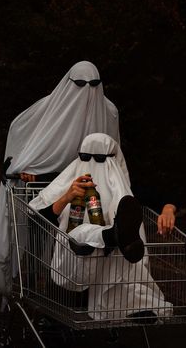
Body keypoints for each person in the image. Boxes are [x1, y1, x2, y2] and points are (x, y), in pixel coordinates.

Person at [0, 61, 121, 295]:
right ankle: (33, 293)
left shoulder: (108, 112)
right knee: (38, 247)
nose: (86, 92)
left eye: (93, 85)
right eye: (80, 84)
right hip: (43, 189)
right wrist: (23, 166)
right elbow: (22, 134)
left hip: (89, 190)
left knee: (78, 246)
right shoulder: (46, 109)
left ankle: (69, 296)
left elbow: (113, 152)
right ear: (69, 84)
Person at [29, 133, 176, 320]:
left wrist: (168, 209)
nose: (92, 164)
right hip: (71, 261)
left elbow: (156, 196)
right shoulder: (68, 179)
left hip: (108, 263)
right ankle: (112, 235)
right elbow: (39, 216)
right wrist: (66, 197)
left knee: (118, 257)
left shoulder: (123, 189)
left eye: (100, 159)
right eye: (85, 157)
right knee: (81, 234)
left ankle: (115, 239)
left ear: (114, 159)